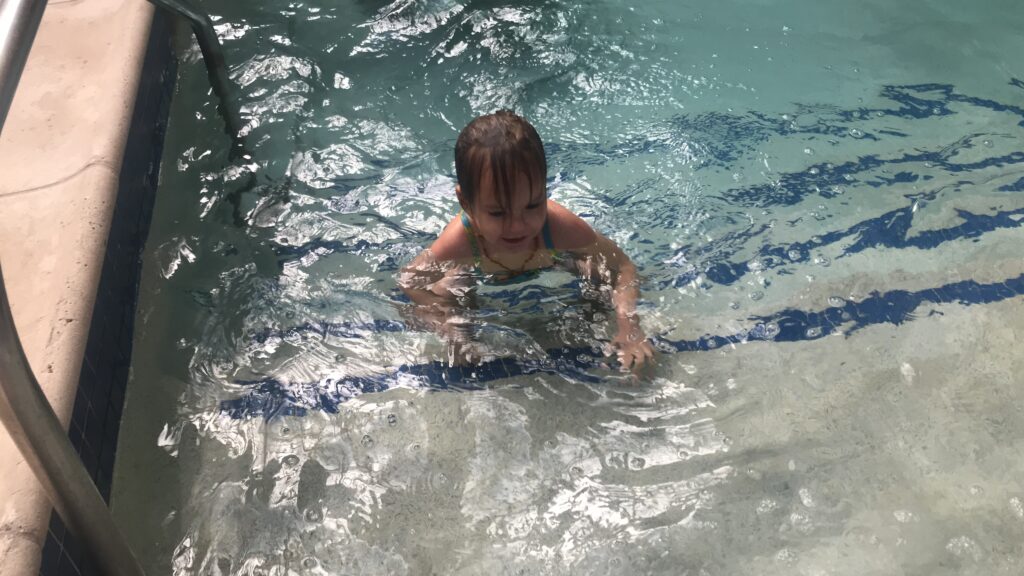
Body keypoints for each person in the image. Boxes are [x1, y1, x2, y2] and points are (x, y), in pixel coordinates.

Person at [399, 110, 655, 370]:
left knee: (598, 275)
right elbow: (410, 281)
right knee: (446, 292)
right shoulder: (461, 241)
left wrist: (629, 327)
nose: (517, 226)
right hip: (476, 269)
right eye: (498, 213)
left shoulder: (559, 228)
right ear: (465, 202)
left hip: (553, 260)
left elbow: (623, 268)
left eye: (532, 205)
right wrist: (445, 319)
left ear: (544, 190)